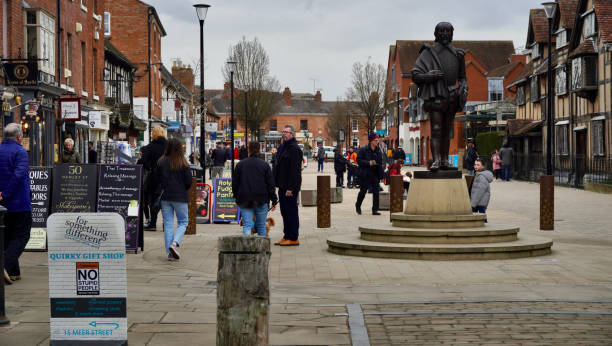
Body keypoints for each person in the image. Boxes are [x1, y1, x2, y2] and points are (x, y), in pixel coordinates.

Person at [412, 22, 468, 170]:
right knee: (436, 128)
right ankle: (436, 160)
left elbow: (462, 77)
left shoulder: (458, 54)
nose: (444, 34)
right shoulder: (428, 53)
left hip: (452, 95)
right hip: (435, 95)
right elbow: (415, 75)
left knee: (447, 130)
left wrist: (464, 87)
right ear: (436, 34)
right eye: (441, 31)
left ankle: (445, 160)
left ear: (452, 34)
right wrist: (428, 76)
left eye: (447, 31)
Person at [0, 123, 32, 284]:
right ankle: (4, 265)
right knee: (22, 236)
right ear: (19, 137)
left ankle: (13, 272)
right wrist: (5, 194)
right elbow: (18, 176)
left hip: (2, 207)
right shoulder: (20, 152)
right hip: (19, 203)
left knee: (8, 237)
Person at [157, 138, 192, 260]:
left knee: (168, 224)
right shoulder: (183, 163)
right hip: (180, 196)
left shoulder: (162, 161)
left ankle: (170, 253)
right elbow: (189, 182)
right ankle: (174, 243)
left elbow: (158, 179)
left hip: (165, 196)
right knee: (183, 222)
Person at [233, 141, 278, 236]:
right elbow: (271, 184)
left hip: (244, 199)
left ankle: (248, 249)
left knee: (247, 226)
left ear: (248, 150)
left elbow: (235, 183)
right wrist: (274, 200)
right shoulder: (265, 165)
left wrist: (236, 197)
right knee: (261, 226)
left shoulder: (240, 165)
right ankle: (262, 249)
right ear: (259, 150)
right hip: (261, 199)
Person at [274, 125, 303, 246]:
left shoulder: (294, 149)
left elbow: (295, 171)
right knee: (284, 212)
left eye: (286, 132)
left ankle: (293, 237)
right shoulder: (283, 147)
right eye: (283, 132)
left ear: (292, 134)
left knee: (291, 212)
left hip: (290, 187)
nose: (284, 134)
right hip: (282, 185)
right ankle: (286, 235)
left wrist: (291, 188)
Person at [141, 126, 168, 231]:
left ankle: (153, 224)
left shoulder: (150, 147)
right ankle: (166, 225)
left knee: (153, 201)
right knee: (166, 201)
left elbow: (144, 161)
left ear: (153, 134)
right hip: (168, 177)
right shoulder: (169, 146)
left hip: (154, 178)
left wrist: (151, 168)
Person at [355, 133, 384, 215]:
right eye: (375, 140)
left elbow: (380, 163)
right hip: (366, 174)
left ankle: (375, 210)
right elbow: (359, 160)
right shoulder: (364, 149)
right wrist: (368, 163)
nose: (377, 141)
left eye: (377, 140)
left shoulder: (378, 150)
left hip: (375, 174)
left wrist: (381, 176)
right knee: (363, 191)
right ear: (371, 141)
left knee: (376, 192)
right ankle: (358, 205)